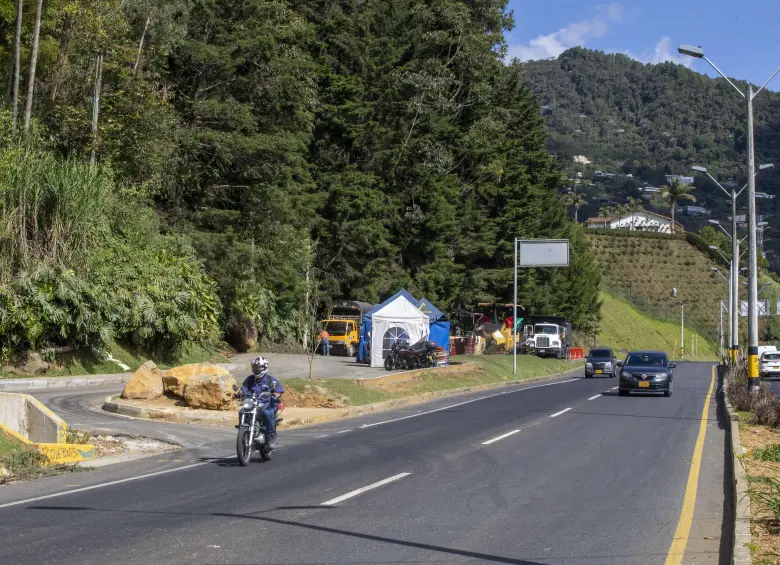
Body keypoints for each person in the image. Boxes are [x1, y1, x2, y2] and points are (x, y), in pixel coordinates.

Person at [240, 356, 284, 448]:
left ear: (264, 367)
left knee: (267, 413)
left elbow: (278, 390)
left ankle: (271, 436)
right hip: (253, 404)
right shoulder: (250, 379)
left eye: (259, 367)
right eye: (255, 367)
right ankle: (243, 430)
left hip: (267, 404)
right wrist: (242, 393)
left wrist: (276, 394)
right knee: (241, 411)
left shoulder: (270, 380)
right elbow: (244, 388)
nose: (256, 369)